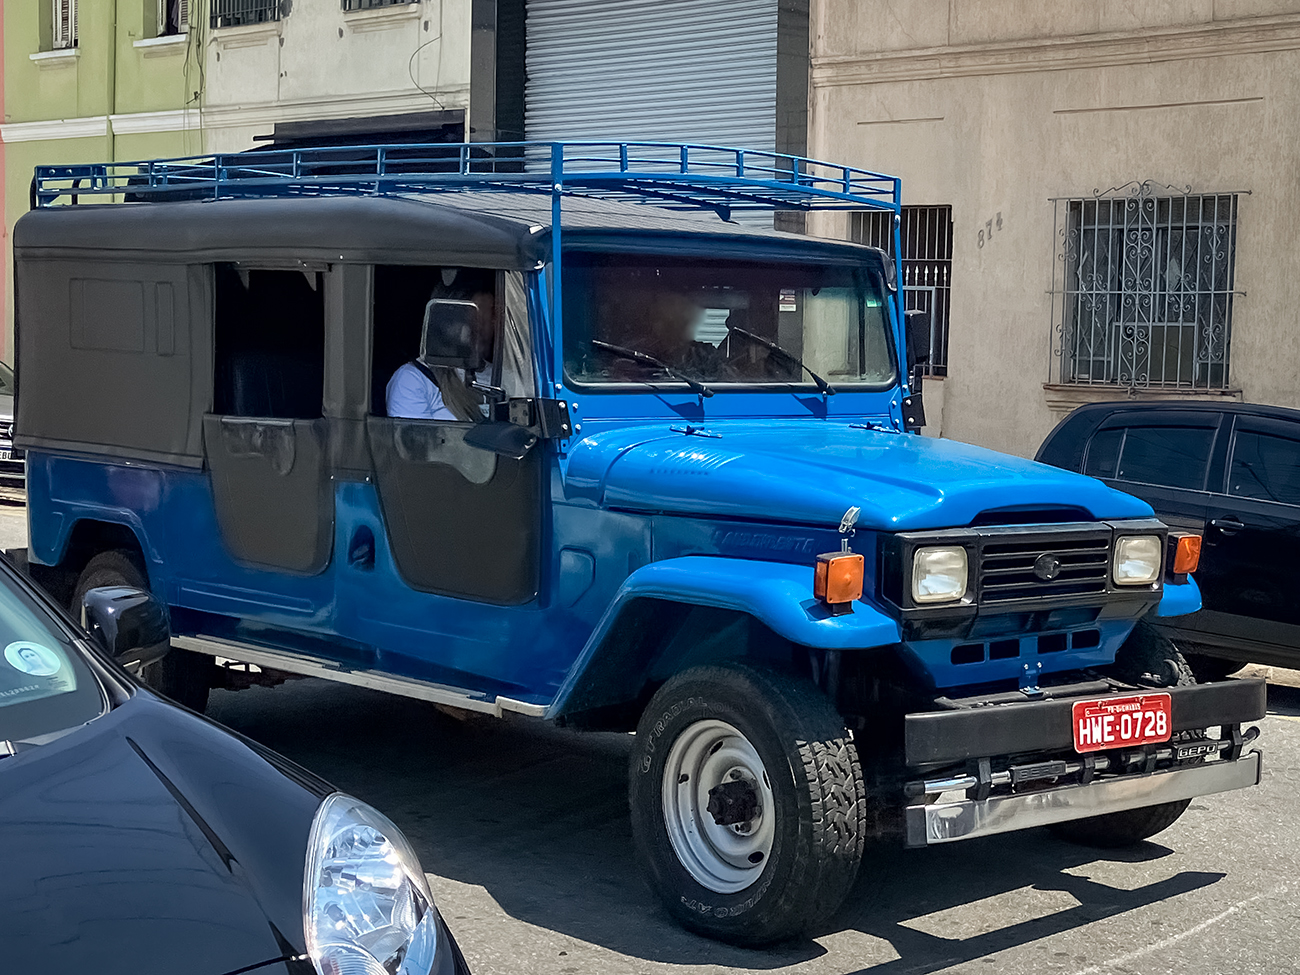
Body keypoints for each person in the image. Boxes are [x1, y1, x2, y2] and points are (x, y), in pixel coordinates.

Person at [387, 275, 496, 421]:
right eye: (475, 319)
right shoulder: (414, 380)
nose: (483, 328)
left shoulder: (502, 377)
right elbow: (415, 442)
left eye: (490, 317)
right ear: (448, 322)